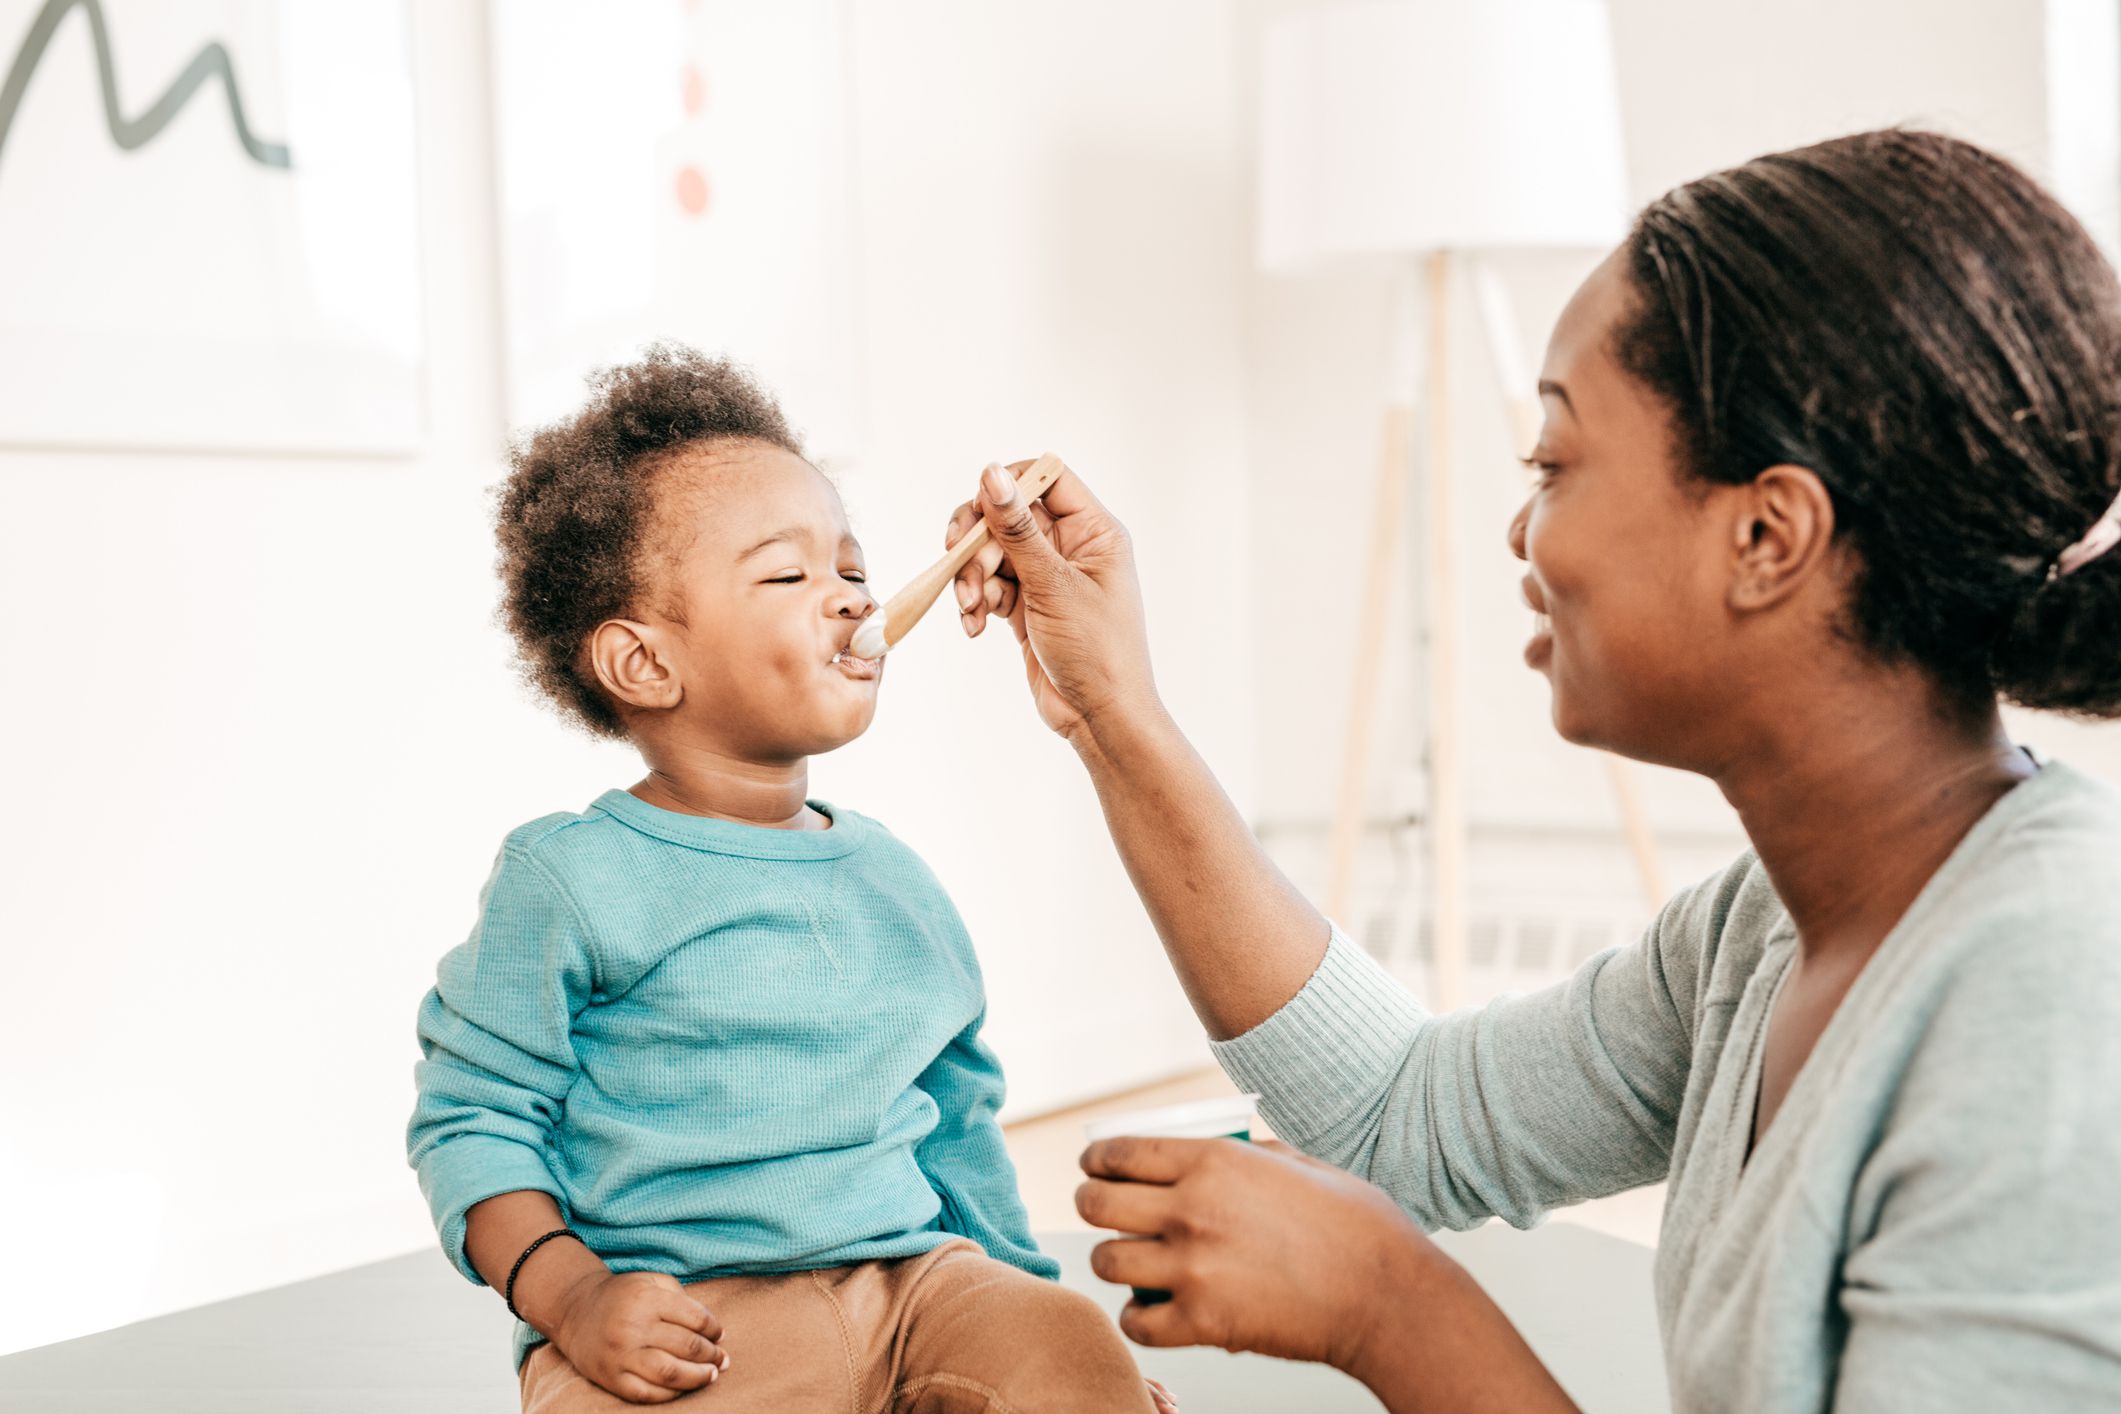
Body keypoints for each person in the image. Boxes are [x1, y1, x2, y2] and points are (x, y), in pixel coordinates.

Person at [945, 129, 2121, 1411]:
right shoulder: (1762, 932)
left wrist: (1388, 1307)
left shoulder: (2053, 986)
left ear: (1767, 534)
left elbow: (1397, 1211)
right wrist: (1116, 712)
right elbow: (1406, 1109)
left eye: (1554, 463)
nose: (1523, 528)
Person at [405, 347, 1171, 1412]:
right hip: (686, 1323)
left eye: (853, 570)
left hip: (919, 1287)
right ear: (644, 663)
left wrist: (1032, 1318)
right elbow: (471, 1119)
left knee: (1066, 1340)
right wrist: (574, 1298)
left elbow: (957, 1119)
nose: (849, 599)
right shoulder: (568, 879)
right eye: (786, 575)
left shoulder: (897, 880)